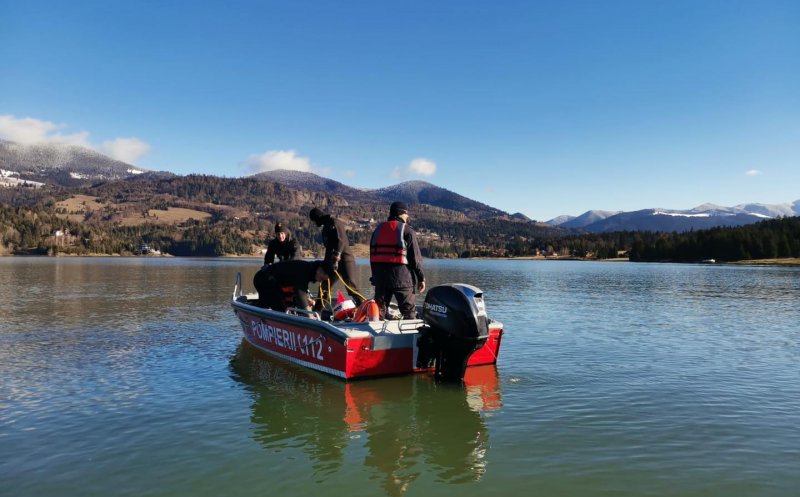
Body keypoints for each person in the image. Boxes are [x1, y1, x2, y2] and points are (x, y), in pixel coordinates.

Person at [369, 201, 425, 319]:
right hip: (402, 279)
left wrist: (375, 277)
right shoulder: (407, 231)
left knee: (377, 313)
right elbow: (415, 259)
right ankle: (411, 336)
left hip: (381, 279)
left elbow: (373, 257)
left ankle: (373, 335)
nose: (407, 216)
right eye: (406, 213)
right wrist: (421, 278)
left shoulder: (377, 230)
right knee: (409, 313)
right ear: (400, 213)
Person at [308, 207, 364, 306]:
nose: (314, 223)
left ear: (317, 218)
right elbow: (329, 248)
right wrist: (326, 263)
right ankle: (318, 310)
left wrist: (336, 258)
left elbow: (341, 241)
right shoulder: (326, 227)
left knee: (351, 287)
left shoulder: (334, 222)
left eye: (314, 220)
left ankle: (364, 309)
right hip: (332, 262)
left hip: (345, 260)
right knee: (324, 286)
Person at [253, 259, 329, 312]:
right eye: (322, 279)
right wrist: (309, 315)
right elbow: (300, 293)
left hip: (273, 282)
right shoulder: (305, 271)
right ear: (319, 271)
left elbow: (301, 289)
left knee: (285, 304)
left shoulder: (309, 269)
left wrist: (307, 299)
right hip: (263, 279)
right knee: (280, 309)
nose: (321, 281)